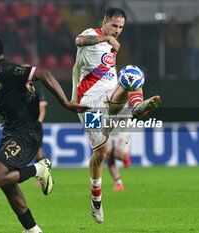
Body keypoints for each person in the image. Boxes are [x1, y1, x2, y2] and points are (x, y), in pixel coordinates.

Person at [0, 34, 89, 233]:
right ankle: (32, 230)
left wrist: (65, 103)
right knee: (7, 185)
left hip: (26, 131)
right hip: (11, 131)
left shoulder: (8, 69)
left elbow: (43, 73)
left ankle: (39, 169)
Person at [71, 7, 161, 223]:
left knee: (132, 74)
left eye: (121, 27)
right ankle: (96, 198)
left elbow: (108, 71)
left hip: (109, 95)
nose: (117, 30)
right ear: (105, 22)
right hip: (89, 103)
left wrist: (111, 44)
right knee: (100, 154)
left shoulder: (114, 46)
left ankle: (138, 105)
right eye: (114, 25)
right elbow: (78, 40)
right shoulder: (92, 35)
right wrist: (107, 38)